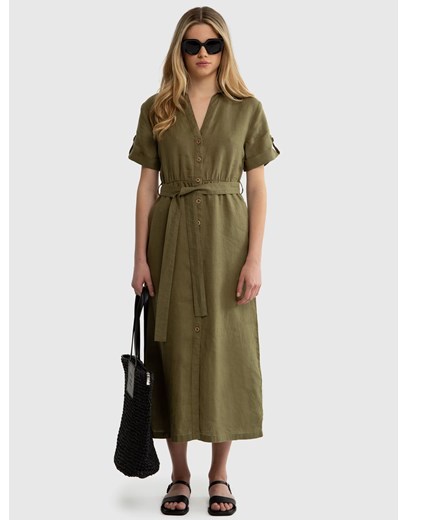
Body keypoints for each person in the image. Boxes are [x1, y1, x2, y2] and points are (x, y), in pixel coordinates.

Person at [128, 6, 280, 516]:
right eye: (192, 44)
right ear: (179, 49)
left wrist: (254, 258)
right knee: (169, 352)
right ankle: (178, 475)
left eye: (212, 44)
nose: (202, 53)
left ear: (225, 49)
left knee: (225, 352)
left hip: (226, 243)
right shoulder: (157, 108)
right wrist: (139, 258)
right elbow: (146, 186)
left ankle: (219, 474)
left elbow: (258, 186)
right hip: (169, 243)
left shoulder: (247, 108)